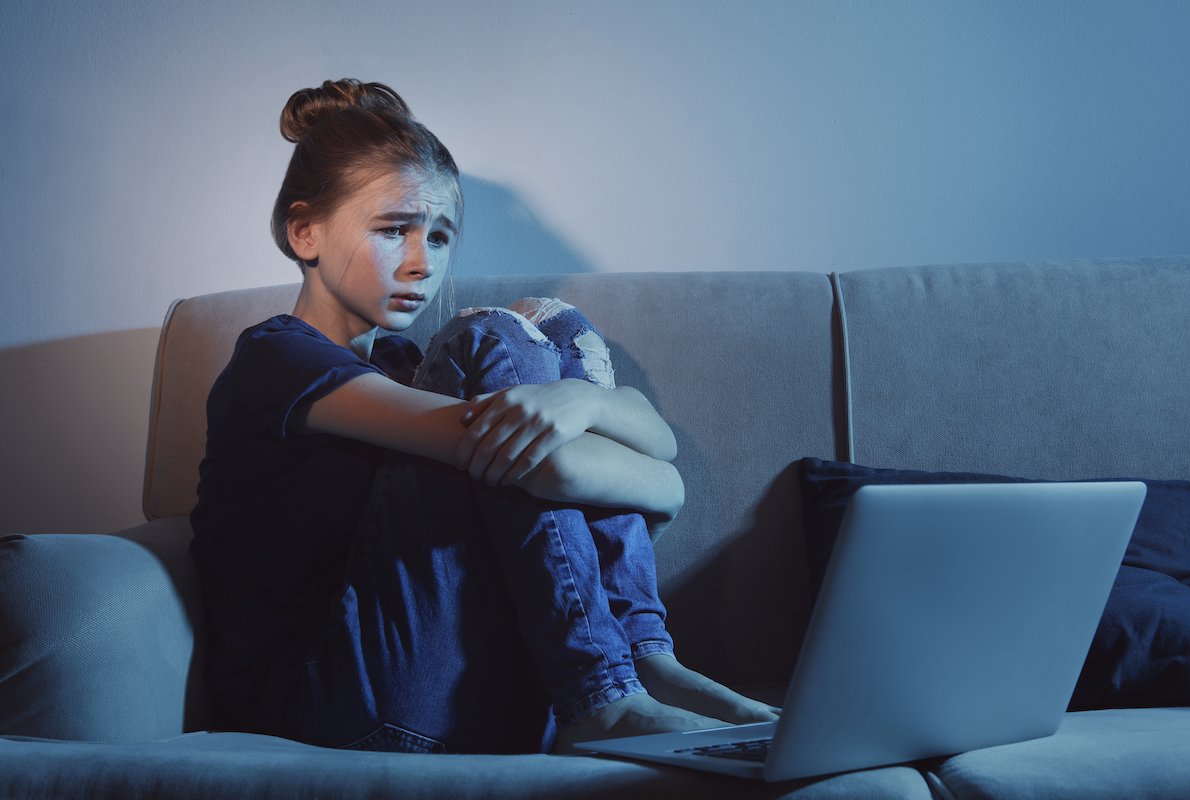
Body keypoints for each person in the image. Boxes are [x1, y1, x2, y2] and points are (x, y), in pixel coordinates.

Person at [190, 78, 775, 755]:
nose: (422, 263)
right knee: (491, 334)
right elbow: (589, 472)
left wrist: (582, 399)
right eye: (393, 230)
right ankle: (601, 690)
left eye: (439, 237)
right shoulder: (278, 360)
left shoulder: (409, 368)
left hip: (453, 687)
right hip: (328, 705)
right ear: (305, 230)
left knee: (555, 323)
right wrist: (605, 457)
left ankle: (641, 660)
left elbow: (665, 469)